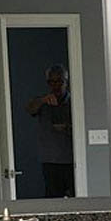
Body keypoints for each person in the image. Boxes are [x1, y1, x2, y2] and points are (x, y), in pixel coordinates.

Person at [26, 64, 75, 197]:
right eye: (52, 82)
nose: (56, 85)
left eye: (59, 81)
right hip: (50, 161)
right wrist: (43, 100)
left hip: (72, 160)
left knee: (76, 197)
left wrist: (66, 128)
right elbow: (30, 109)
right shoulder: (42, 103)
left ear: (66, 82)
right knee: (53, 198)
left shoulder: (75, 102)